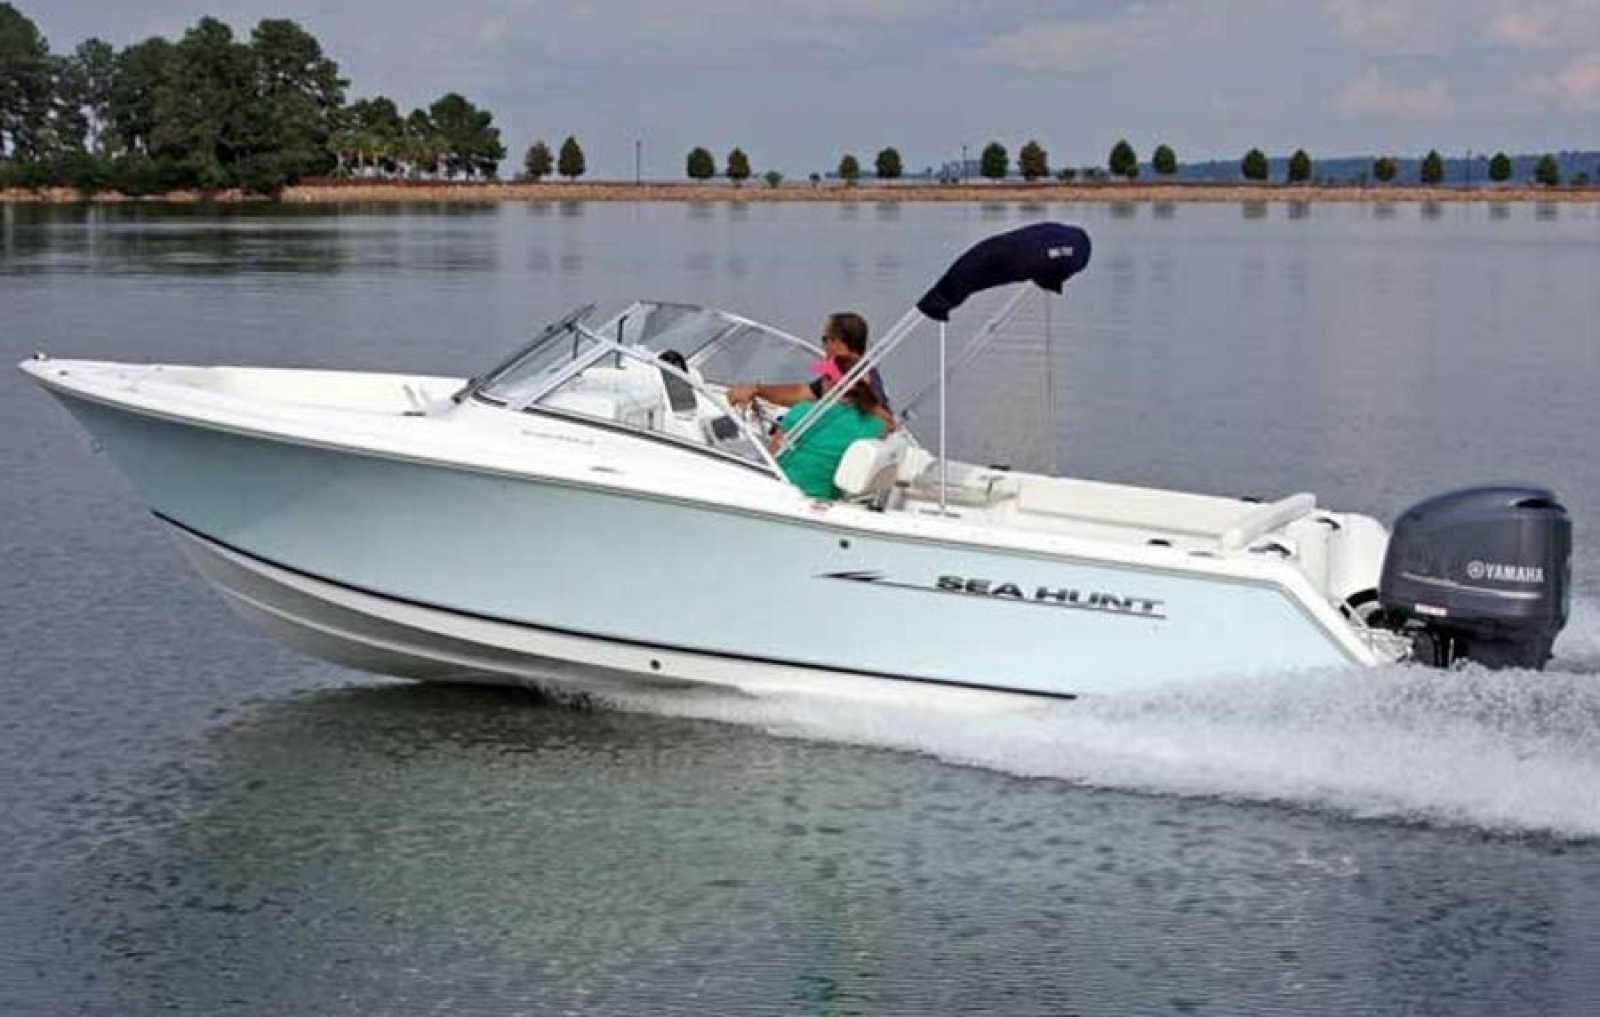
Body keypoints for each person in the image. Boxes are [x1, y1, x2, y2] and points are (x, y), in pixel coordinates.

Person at [727, 312, 893, 430]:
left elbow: (880, 417)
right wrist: (757, 389)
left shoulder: (845, 376)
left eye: (825, 339)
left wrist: (755, 389)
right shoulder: (861, 370)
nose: (823, 345)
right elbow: (802, 392)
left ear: (838, 343)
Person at [768, 353, 888, 499]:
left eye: (824, 377)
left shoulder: (803, 410)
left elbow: (771, 456)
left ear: (831, 383)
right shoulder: (875, 426)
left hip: (784, 491)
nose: (821, 382)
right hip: (826, 498)